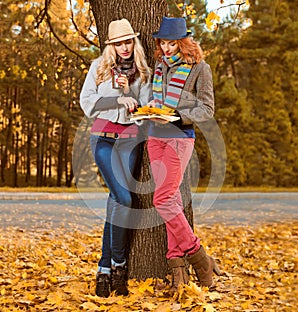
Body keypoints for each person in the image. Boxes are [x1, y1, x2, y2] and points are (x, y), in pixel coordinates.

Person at [147, 17, 221, 293]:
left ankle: (198, 255)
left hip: (179, 137)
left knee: (162, 199)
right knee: (172, 200)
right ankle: (177, 267)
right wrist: (149, 111)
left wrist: (178, 116)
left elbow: (206, 109)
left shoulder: (200, 68)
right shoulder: (159, 67)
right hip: (155, 138)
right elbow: (158, 99)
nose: (165, 49)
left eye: (171, 43)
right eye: (162, 43)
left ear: (183, 42)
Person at [80, 18, 151, 297]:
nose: (124, 47)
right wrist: (116, 100)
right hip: (103, 140)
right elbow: (88, 104)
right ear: (111, 45)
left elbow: (145, 110)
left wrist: (128, 93)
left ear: (134, 42)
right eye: (119, 43)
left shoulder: (142, 72)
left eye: (128, 41)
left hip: (130, 141)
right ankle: (119, 263)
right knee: (124, 199)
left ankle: (105, 269)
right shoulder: (98, 68)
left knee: (115, 201)